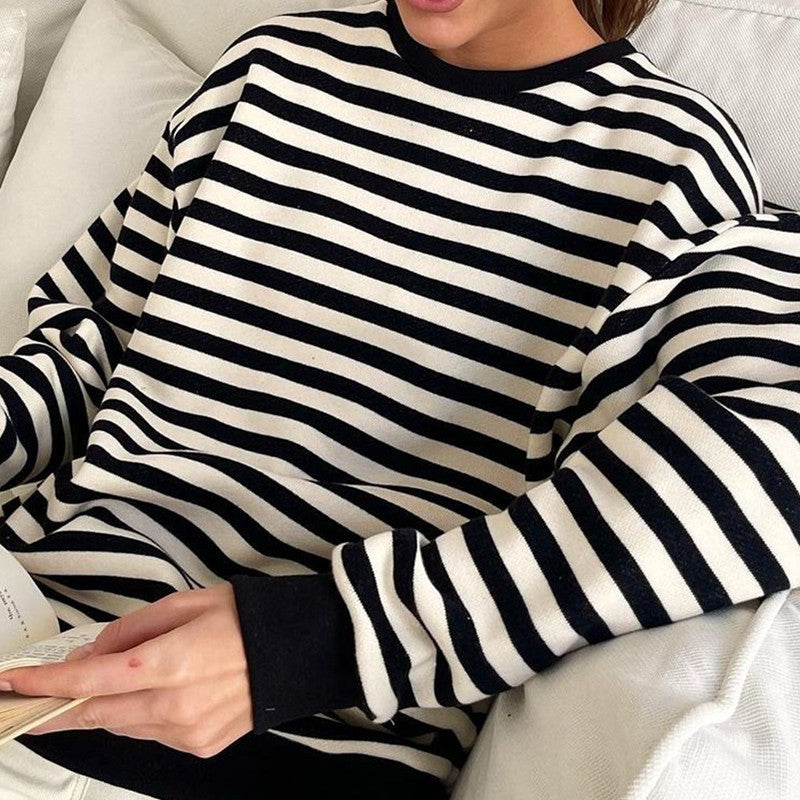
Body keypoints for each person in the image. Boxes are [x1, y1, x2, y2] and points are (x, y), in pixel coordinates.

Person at [0, 0, 798, 797]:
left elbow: (762, 453)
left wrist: (315, 643)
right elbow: (89, 350)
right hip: (33, 626)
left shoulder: (670, 161)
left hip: (286, 742)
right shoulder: (269, 67)